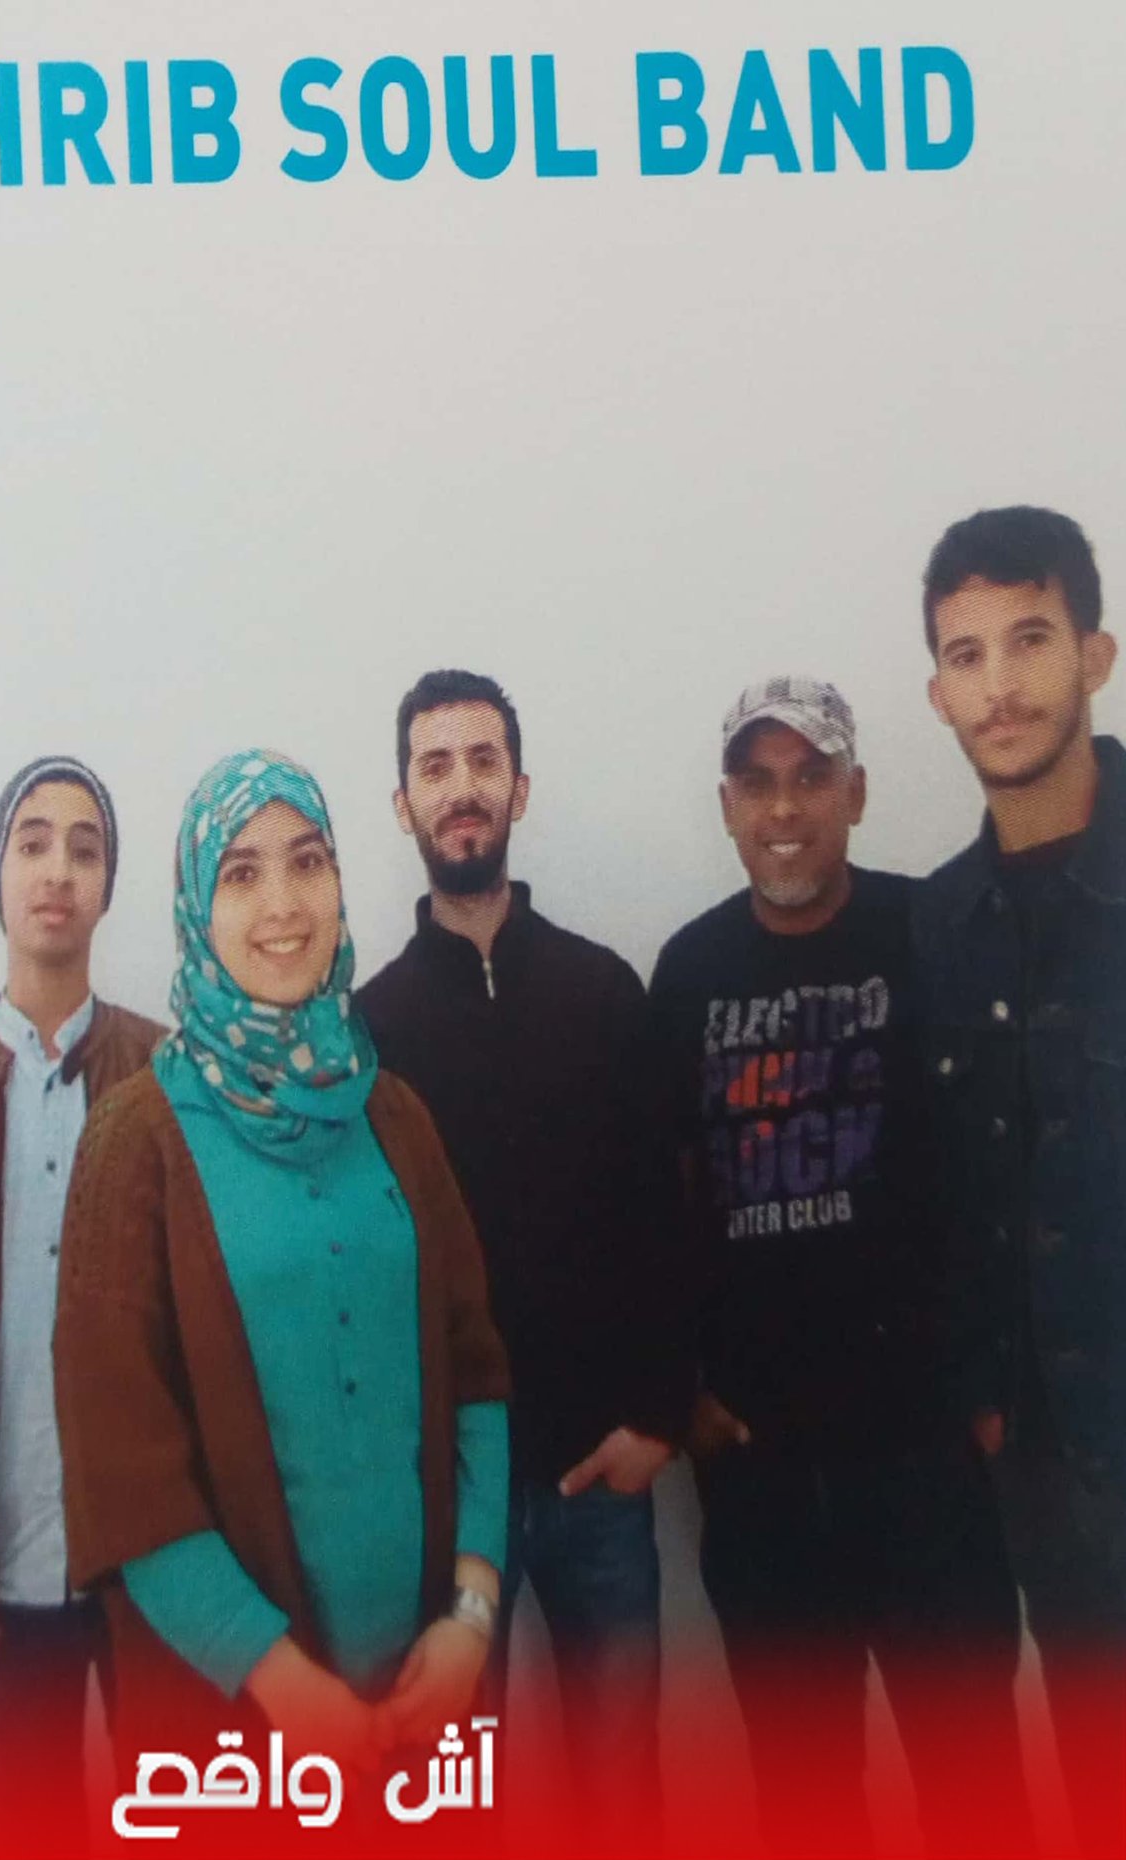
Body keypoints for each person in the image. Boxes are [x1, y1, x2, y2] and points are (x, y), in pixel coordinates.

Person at [54, 749, 509, 1845]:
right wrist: (288, 1691)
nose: (283, 906)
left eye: (308, 862)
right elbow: (124, 1472)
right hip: (234, 1735)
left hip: (425, 1704)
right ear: (194, 907)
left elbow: (476, 1373)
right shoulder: (135, 1140)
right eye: (242, 874)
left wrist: (470, 1614)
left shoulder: (393, 1114)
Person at [649, 676, 1029, 1858]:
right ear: (726, 806)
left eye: (811, 778)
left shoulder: (930, 935)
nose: (784, 809)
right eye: (758, 783)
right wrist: (684, 1391)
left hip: (927, 1464)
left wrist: (991, 1391)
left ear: (855, 794)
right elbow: (657, 1206)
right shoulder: (688, 973)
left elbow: (999, 1170)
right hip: (765, 1480)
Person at [356, 670, 689, 1853]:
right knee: (453, 1812)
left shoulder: (603, 991)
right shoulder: (367, 1031)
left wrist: (656, 1419)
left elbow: (668, 1217)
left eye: (482, 761)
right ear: (402, 803)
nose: (461, 787)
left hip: (602, 1482)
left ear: (519, 788)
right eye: (434, 766)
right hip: (450, 1507)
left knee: (623, 1797)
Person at [0, 756, 162, 1857]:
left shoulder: (168, 1080)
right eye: (33, 843)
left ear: (109, 887)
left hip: (153, 1571)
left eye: (85, 849)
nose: (58, 870)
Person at [915, 506, 1126, 1857]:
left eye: (1030, 638)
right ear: (936, 693)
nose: (1000, 685)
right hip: (1051, 1477)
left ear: (1095, 654)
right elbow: (951, 1196)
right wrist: (988, 1406)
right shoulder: (939, 922)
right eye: (967, 654)